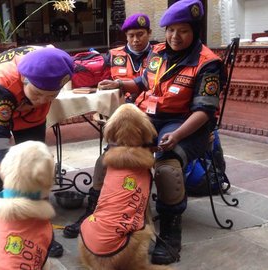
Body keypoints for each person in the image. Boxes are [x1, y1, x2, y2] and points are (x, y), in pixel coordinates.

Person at [97, 0, 225, 265]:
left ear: (195, 31)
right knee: (112, 155)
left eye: (183, 31)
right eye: (170, 30)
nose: (175, 37)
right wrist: (120, 82)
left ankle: (169, 233)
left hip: (186, 123)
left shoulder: (208, 64)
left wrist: (177, 136)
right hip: (150, 118)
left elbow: (204, 112)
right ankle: (98, 214)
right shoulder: (157, 53)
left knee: (167, 167)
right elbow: (144, 82)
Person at [0, 45, 74, 257]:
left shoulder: (54, 67)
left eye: (50, 96)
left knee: (34, 172)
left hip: (29, 116)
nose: (42, 100)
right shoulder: (2, 84)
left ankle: (40, 233)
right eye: (39, 93)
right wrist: (6, 170)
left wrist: (37, 98)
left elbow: (40, 97)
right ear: (25, 79)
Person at [62, 12, 153, 239]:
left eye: (140, 34)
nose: (135, 40)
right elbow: (85, 70)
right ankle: (92, 210)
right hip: (120, 123)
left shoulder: (160, 54)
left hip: (151, 121)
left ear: (149, 34)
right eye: (131, 35)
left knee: (120, 157)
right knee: (104, 161)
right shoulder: (113, 55)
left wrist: (121, 84)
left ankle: (137, 213)